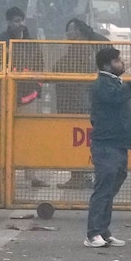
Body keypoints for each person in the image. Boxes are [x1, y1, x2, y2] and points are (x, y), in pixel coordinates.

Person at [86, 46, 131, 247]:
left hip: (118, 144)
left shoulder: (113, 82)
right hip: (106, 145)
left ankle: (103, 231)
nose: (122, 64)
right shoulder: (103, 84)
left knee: (110, 188)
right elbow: (117, 97)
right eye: (118, 61)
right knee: (103, 189)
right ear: (107, 64)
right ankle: (93, 233)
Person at [0, 7, 47, 187]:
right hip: (2, 96)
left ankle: (32, 175)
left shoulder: (32, 44)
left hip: (28, 96)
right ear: (8, 22)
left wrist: (37, 91)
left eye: (22, 20)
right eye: (16, 20)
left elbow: (40, 68)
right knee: (1, 135)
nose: (20, 24)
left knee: (29, 136)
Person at [54, 18, 108, 189]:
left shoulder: (81, 49)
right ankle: (81, 175)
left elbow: (65, 68)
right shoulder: (86, 48)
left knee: (75, 140)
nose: (67, 34)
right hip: (80, 100)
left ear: (78, 31)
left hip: (75, 101)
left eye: (69, 30)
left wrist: (56, 69)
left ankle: (79, 176)